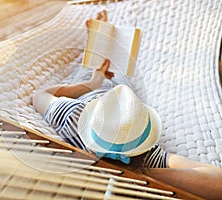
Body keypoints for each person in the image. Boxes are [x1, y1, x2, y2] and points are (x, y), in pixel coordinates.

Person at [32, 10, 222, 199]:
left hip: (90, 91)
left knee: (95, 65)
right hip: (113, 94)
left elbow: (40, 94)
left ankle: (99, 34)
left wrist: (90, 84)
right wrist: (141, 173)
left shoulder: (73, 115)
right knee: (110, 66)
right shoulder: (146, 154)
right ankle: (100, 33)